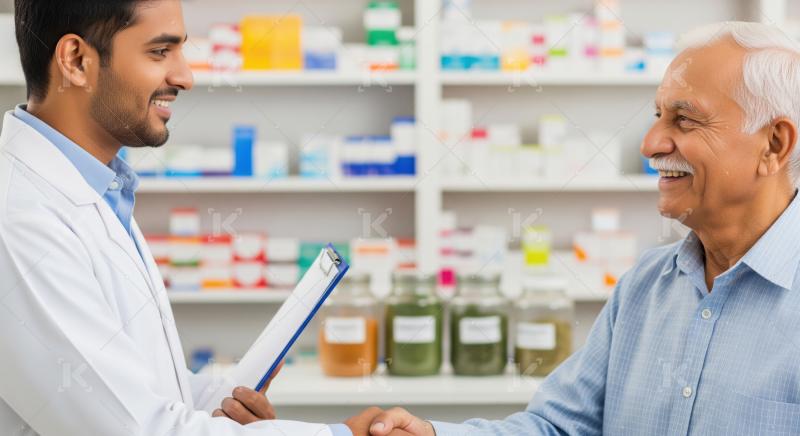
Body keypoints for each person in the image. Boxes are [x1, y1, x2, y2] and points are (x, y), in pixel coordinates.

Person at [349, 21, 800, 436]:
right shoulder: (646, 286)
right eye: (657, 115)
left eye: (684, 119)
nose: (650, 144)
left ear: (774, 144)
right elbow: (559, 428)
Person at [0, 1, 396, 435]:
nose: (185, 76)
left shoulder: (100, 187)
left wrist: (220, 402)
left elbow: (125, 386)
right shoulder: (19, 215)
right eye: (159, 52)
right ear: (76, 60)